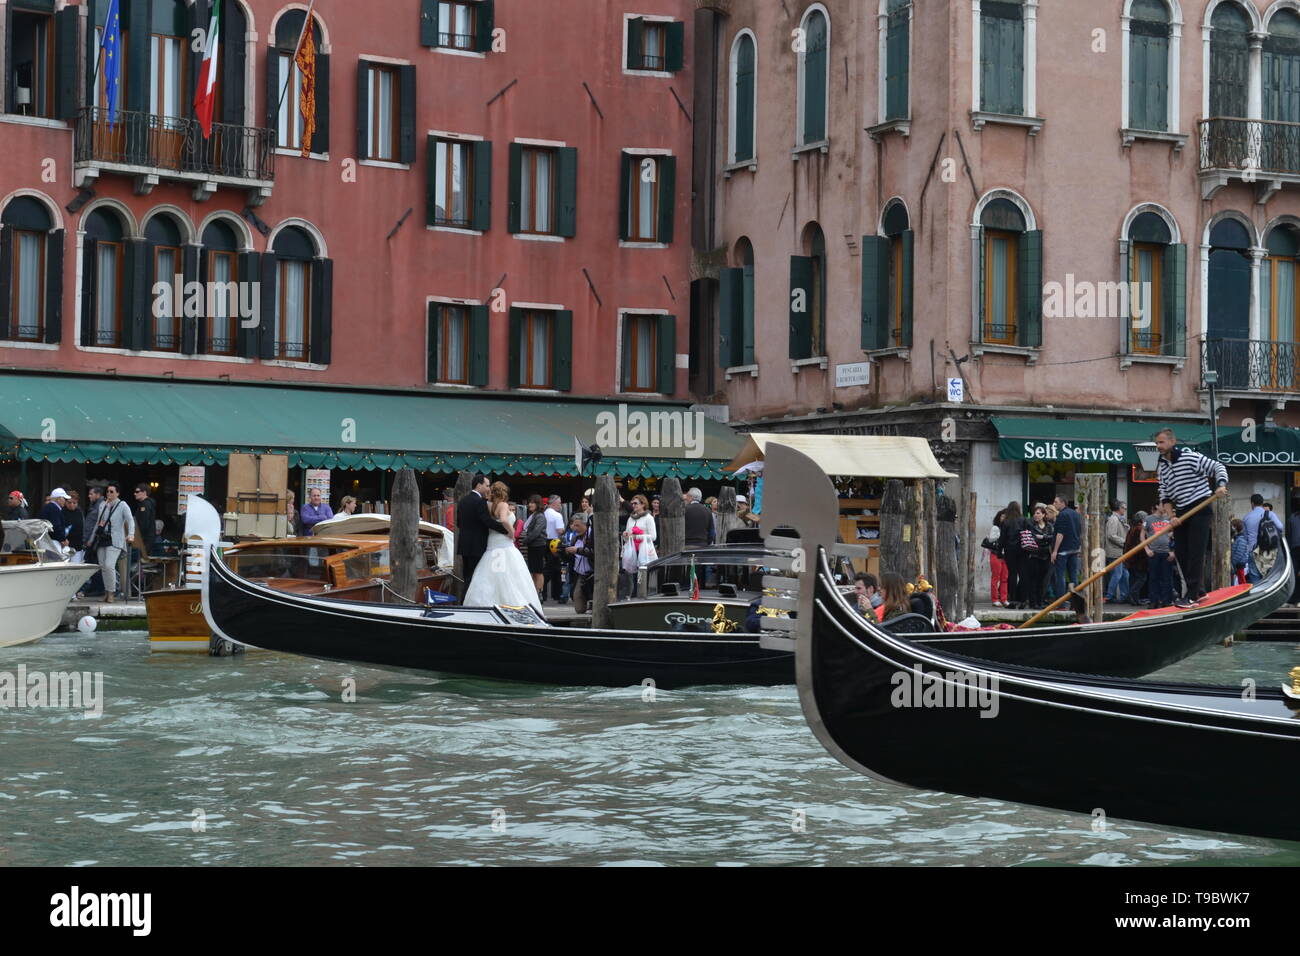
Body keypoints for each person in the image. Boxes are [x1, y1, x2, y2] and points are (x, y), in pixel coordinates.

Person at [1154, 426, 1229, 606]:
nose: (1158, 446)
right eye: (1157, 443)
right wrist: (1172, 516)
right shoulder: (1162, 466)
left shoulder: (1190, 457)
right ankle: (1200, 591)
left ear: (1173, 442)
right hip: (1181, 512)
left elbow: (1217, 466)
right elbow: (1164, 494)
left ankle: (1192, 595)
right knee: (1181, 554)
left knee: (1196, 553)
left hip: (1199, 508)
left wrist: (1220, 484)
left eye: (1161, 442)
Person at [463, 481, 544, 615]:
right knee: (509, 574)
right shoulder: (503, 505)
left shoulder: (487, 505)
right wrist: (511, 533)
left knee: (492, 573)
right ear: (504, 492)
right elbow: (504, 520)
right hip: (504, 544)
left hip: (492, 543)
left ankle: (489, 603)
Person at [455, 474, 515, 592]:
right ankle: (470, 604)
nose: (488, 489)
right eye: (487, 485)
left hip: (464, 545)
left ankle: (465, 602)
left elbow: (459, 523)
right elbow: (487, 521)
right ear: (479, 485)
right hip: (477, 544)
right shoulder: (480, 502)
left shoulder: (463, 501)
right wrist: (507, 531)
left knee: (467, 576)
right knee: (476, 576)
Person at [92, 482, 135, 603]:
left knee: (109, 566)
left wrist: (131, 535)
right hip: (102, 539)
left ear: (117, 493)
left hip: (115, 539)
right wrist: (91, 539)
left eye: (112, 491)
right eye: (107, 491)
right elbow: (99, 522)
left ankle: (111, 592)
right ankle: (106, 592)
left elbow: (130, 520)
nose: (109, 494)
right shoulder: (103, 504)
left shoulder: (123, 505)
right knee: (103, 567)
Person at [1242, 493, 1284, 584]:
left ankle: (1258, 596)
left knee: (1255, 580)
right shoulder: (1270, 514)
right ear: (1262, 503)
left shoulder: (1246, 518)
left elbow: (1245, 538)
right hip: (1269, 551)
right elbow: (1280, 527)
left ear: (1252, 503)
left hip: (1253, 552)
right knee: (1270, 578)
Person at [621, 494, 658, 598]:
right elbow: (628, 536)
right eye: (632, 503)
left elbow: (653, 537)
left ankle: (641, 594)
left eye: (635, 503)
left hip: (644, 550)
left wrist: (637, 536)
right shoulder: (630, 518)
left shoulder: (648, 518)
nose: (633, 505)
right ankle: (634, 593)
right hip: (632, 550)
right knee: (632, 574)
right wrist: (625, 535)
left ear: (643, 504)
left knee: (642, 574)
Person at [1050, 494, 1083, 601]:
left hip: (1063, 549)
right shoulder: (1075, 514)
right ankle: (1075, 601)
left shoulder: (1062, 515)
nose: (1054, 504)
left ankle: (1061, 602)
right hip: (1074, 548)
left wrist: (1055, 551)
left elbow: (1060, 534)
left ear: (1063, 503)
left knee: (1060, 576)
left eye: (1056, 502)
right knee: (1073, 575)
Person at [1144, 502, 1177, 609]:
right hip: (1153, 552)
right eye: (1163, 505)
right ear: (1157, 506)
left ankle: (1166, 600)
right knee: (1153, 578)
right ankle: (1154, 601)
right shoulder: (1148, 519)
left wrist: (1173, 550)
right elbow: (1142, 536)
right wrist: (1147, 549)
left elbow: (1175, 534)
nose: (1165, 508)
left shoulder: (1169, 519)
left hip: (1166, 552)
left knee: (1167, 578)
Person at [1023, 504, 1054, 609]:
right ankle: (1033, 602)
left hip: (1046, 555)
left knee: (1042, 580)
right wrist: (1044, 539)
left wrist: (1043, 537)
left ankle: (1040, 601)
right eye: (1035, 513)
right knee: (1033, 580)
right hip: (1034, 555)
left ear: (1043, 514)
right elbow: (1031, 539)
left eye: (1038, 513)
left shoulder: (1049, 526)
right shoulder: (1031, 525)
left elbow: (1052, 538)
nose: (1035, 515)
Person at [998, 501, 1028, 609]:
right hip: (1023, 550)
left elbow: (1002, 539)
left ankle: (1013, 600)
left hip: (1010, 550)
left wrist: (999, 551)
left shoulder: (1006, 522)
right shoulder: (1024, 520)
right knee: (1023, 574)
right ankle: (1023, 600)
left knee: (1012, 575)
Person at [520, 494, 550, 599]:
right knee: (534, 570)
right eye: (529, 502)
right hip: (533, 546)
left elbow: (536, 532)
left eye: (532, 503)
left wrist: (525, 540)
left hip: (538, 545)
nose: (529, 505)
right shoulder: (534, 515)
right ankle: (535, 592)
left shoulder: (540, 516)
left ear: (538, 504)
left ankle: (539, 593)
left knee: (538, 570)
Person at [565, 514, 594, 613]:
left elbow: (595, 553)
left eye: (578, 525)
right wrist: (563, 553)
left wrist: (578, 550)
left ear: (585, 524)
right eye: (574, 525)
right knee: (579, 607)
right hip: (580, 573)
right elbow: (571, 559)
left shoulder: (592, 535)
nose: (575, 528)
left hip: (593, 573)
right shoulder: (575, 538)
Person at [1103, 500, 1129, 603]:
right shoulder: (1114, 519)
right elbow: (1111, 535)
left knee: (1125, 574)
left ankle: (1124, 596)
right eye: (1124, 508)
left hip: (1119, 552)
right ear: (1119, 508)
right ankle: (1109, 596)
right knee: (1118, 574)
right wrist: (1125, 542)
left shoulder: (1119, 519)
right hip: (1115, 552)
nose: (1125, 510)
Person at [543, 494, 566, 603]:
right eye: (559, 503)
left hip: (544, 542)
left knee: (553, 567)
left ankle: (555, 594)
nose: (560, 505)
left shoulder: (544, 513)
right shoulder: (557, 515)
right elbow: (560, 530)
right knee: (553, 568)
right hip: (554, 543)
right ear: (553, 503)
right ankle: (554, 593)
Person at [984, 508, 1008, 607]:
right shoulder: (995, 528)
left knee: (1005, 578)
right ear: (999, 517)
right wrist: (1002, 534)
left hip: (1005, 555)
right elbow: (991, 539)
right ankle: (995, 599)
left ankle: (1004, 598)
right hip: (996, 554)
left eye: (1006, 517)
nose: (1004, 518)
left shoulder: (1008, 528)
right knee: (996, 577)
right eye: (1002, 516)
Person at [1123, 511, 1149, 606]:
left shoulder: (1132, 529)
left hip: (1131, 559)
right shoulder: (1139, 529)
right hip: (1138, 559)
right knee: (1141, 578)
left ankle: (1134, 599)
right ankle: (1133, 595)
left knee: (1134, 578)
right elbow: (1139, 545)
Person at [133, 484, 158, 556]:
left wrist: (138, 536)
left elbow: (144, 523)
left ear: (144, 492)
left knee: (138, 557)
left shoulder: (145, 504)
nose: (135, 494)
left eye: (137, 492)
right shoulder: (145, 504)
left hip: (144, 539)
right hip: (146, 538)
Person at [64, 491, 84, 555]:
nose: (72, 504)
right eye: (69, 502)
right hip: (65, 546)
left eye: (74, 503)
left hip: (78, 546)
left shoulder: (79, 512)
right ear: (65, 502)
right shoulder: (62, 512)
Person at [1231, 517, 1249, 586]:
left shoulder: (1241, 539)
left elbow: (1239, 553)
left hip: (1239, 564)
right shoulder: (1238, 538)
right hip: (1238, 563)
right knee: (1240, 579)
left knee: (1241, 580)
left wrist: (1232, 563)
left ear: (1235, 527)